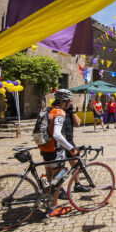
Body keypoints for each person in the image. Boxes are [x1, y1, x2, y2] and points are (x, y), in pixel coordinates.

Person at [39, 89, 78, 217]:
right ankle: (53, 207)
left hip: (45, 147)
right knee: (58, 179)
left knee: (49, 175)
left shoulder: (48, 110)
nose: (70, 103)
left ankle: (47, 200)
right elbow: (57, 134)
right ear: (64, 102)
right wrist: (70, 148)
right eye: (69, 101)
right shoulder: (60, 112)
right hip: (55, 150)